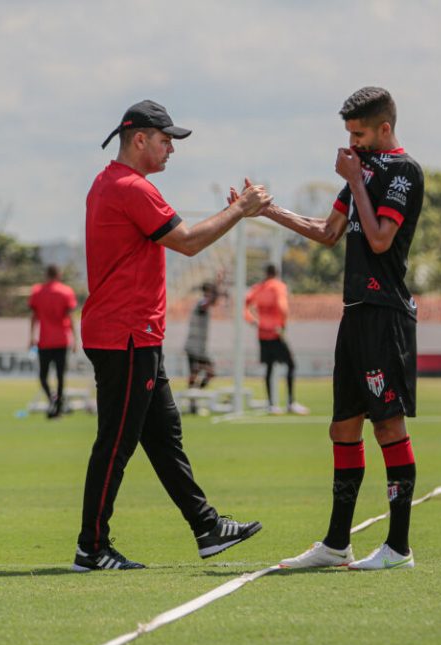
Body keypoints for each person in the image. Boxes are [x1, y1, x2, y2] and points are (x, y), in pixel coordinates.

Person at [73, 100, 270, 571]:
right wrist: (241, 210)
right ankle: (91, 547)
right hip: (127, 335)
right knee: (116, 443)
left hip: (133, 335)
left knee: (164, 437)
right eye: (166, 141)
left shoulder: (109, 182)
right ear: (139, 139)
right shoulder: (131, 188)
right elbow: (187, 242)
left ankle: (206, 527)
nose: (170, 151)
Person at [250, 87, 425, 570]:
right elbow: (329, 233)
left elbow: (379, 237)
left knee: (388, 425)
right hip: (355, 312)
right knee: (342, 427)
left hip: (385, 313)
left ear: (384, 128)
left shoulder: (403, 172)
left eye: (360, 133)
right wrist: (268, 211)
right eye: (349, 134)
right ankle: (335, 544)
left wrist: (356, 179)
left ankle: (398, 548)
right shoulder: (362, 175)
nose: (353, 143)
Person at [243, 264, 309, 415]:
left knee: (269, 367)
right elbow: (282, 307)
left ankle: (271, 404)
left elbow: (245, 306)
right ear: (277, 273)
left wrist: (252, 320)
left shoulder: (258, 288)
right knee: (291, 364)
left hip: (262, 333)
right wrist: (283, 324)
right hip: (275, 332)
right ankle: (290, 402)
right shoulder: (278, 286)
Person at [28, 264, 78, 418]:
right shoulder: (66, 291)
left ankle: (53, 400)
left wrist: (31, 336)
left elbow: (34, 317)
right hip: (62, 340)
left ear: (46, 275)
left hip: (44, 340)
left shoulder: (37, 291)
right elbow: (70, 317)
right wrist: (75, 339)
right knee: (60, 376)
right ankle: (58, 405)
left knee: (43, 376)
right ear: (58, 274)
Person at [183, 279, 221, 413]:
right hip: (194, 347)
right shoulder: (201, 303)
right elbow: (208, 303)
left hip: (200, 349)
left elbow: (213, 302)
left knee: (208, 373)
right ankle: (192, 404)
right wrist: (218, 285)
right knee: (195, 375)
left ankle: (194, 400)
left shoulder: (205, 303)